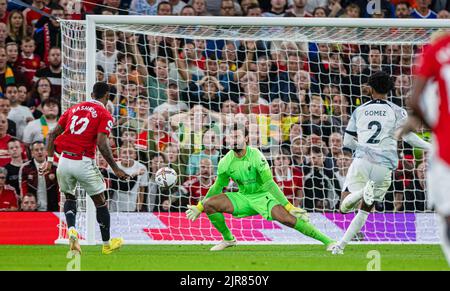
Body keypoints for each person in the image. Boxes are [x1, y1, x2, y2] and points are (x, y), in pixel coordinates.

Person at [185, 125, 337, 251]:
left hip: (263, 196)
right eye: (230, 137)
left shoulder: (256, 155)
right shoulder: (225, 162)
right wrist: (199, 206)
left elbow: (269, 184)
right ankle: (228, 239)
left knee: (288, 219)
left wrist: (289, 207)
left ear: (246, 139)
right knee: (209, 204)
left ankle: (328, 241)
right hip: (243, 197)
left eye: (237, 136)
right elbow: (217, 187)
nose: (233, 140)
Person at [329, 71, 431, 255]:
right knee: (365, 211)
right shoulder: (396, 110)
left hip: (362, 161)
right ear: (390, 89)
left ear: (369, 88)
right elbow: (408, 137)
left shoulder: (359, 110)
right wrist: (430, 147)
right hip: (384, 167)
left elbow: (347, 143)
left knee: (344, 207)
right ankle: (340, 246)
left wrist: (365, 146)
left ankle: (360, 193)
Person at [40, 82, 130, 255]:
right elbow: (102, 144)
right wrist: (116, 168)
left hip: (64, 160)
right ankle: (106, 244)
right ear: (106, 97)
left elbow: (51, 134)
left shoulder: (73, 109)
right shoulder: (105, 114)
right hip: (83, 161)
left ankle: (72, 230)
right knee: (100, 202)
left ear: (91, 94)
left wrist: (49, 161)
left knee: (69, 197)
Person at [397, 31, 450, 266]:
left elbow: (415, 100)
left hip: (445, 151)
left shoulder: (436, 51)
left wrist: (432, 126)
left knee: (446, 217)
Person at [19, 141, 58, 211]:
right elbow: (23, 189)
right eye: (36, 150)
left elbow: (59, 189)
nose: (40, 152)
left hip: (52, 206)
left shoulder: (55, 167)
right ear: (32, 153)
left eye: (42, 149)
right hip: (32, 208)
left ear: (46, 151)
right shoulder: (25, 168)